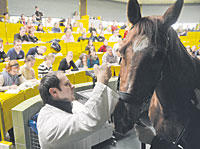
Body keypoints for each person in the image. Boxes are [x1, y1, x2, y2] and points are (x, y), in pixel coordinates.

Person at [37, 63, 119, 149]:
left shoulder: (71, 105)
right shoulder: (49, 124)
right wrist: (102, 82)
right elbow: (89, 119)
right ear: (54, 92)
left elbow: (94, 116)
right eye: (67, 84)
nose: (73, 86)